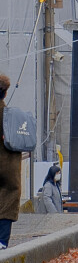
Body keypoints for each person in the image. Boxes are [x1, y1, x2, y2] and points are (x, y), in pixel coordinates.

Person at [0, 75, 22, 249]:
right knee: (8, 199)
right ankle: (2, 241)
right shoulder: (12, 115)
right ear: (5, 93)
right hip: (8, 166)